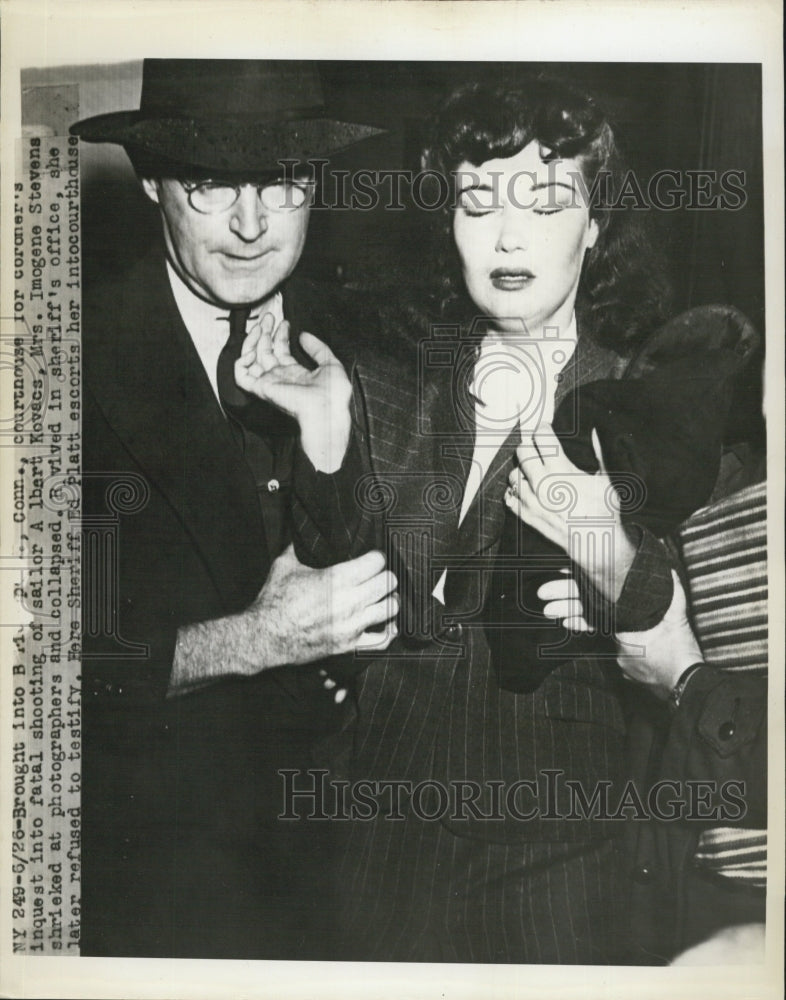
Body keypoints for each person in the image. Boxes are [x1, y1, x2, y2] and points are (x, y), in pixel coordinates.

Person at [236, 74, 747, 963]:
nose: (507, 235)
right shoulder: (394, 374)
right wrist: (324, 434)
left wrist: (606, 550)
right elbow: (339, 587)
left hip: (554, 858)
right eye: (478, 202)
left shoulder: (651, 398)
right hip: (372, 831)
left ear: (594, 227)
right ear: (450, 224)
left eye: (546, 204)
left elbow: (679, 637)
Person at [70, 59, 397, 959]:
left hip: (363, 892)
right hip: (158, 900)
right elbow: (41, 673)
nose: (252, 226)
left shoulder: (378, 345)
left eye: (284, 183)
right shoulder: (62, 369)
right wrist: (253, 641)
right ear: (149, 180)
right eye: (212, 186)